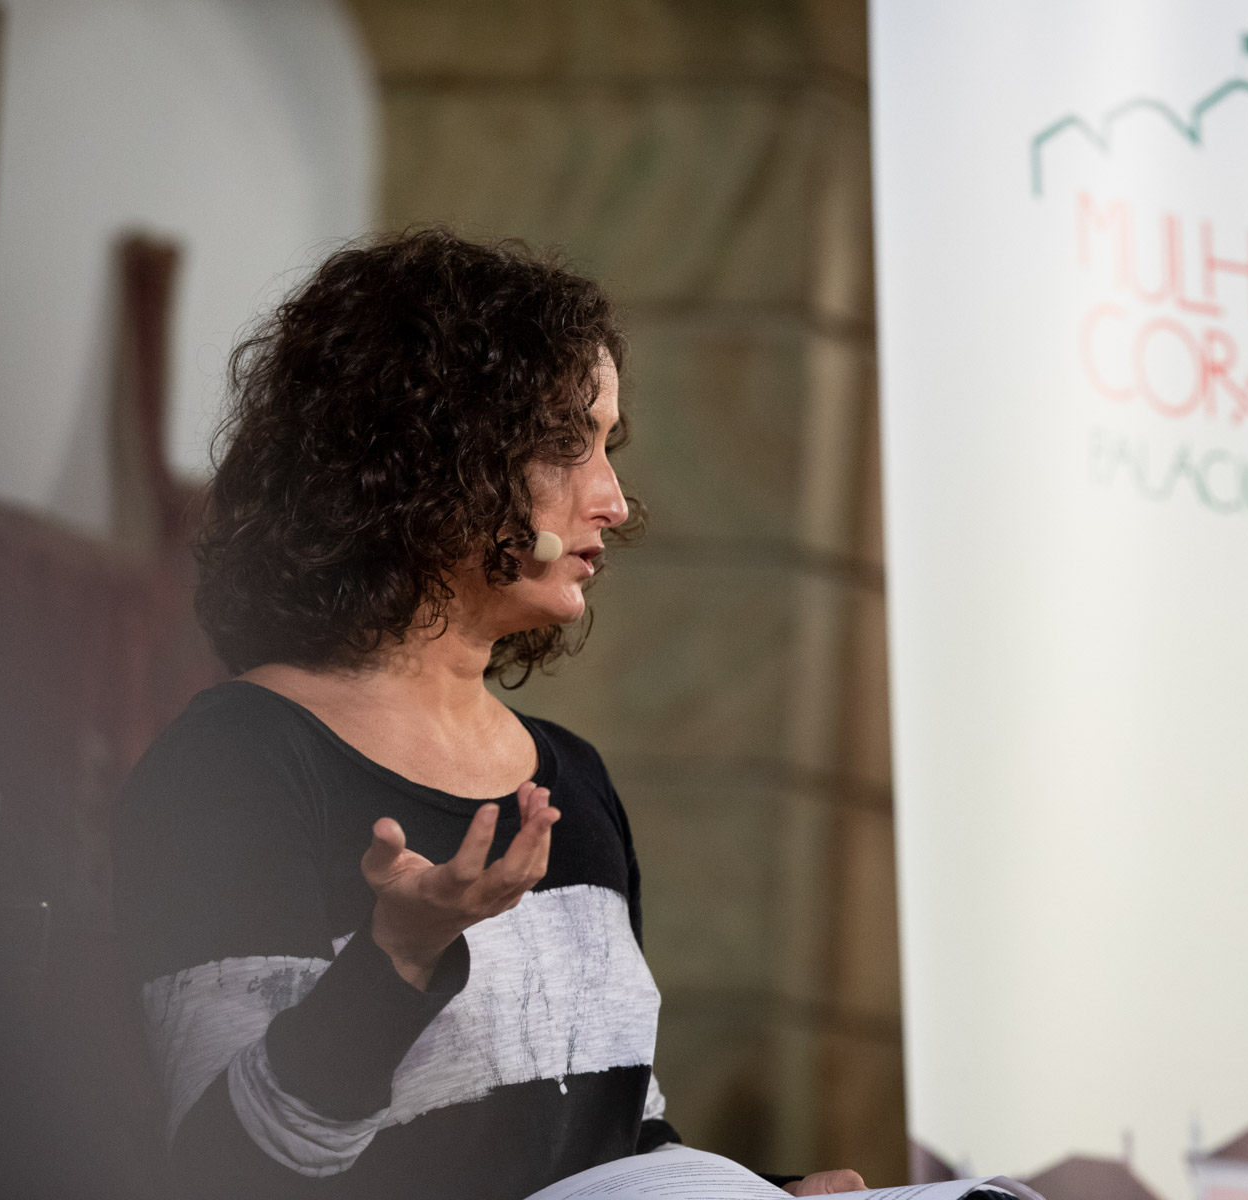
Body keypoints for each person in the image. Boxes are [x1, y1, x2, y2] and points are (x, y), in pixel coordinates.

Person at [113, 230, 865, 1199]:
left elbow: (604, 1141)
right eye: (565, 445)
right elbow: (229, 1170)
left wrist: (767, 1190)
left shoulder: (570, 775)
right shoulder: (237, 764)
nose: (615, 501)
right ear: (424, 459)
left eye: (608, 446)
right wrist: (397, 959)